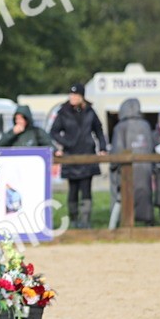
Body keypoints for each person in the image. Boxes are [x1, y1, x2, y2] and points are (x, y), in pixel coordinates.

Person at [49, 83, 107, 229]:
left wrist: (103, 148)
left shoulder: (90, 112)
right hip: (70, 156)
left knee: (86, 190)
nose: (73, 97)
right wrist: (65, 143)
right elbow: (53, 132)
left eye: (76, 95)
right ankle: (74, 220)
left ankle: (85, 221)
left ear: (82, 97)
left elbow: (98, 130)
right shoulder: (63, 112)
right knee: (73, 190)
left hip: (87, 155)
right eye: (71, 94)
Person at [109, 97, 153, 227]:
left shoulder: (120, 127)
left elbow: (117, 149)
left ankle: (116, 224)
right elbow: (150, 147)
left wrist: (113, 165)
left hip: (126, 169)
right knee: (144, 194)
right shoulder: (146, 125)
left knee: (120, 196)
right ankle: (147, 221)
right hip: (145, 168)